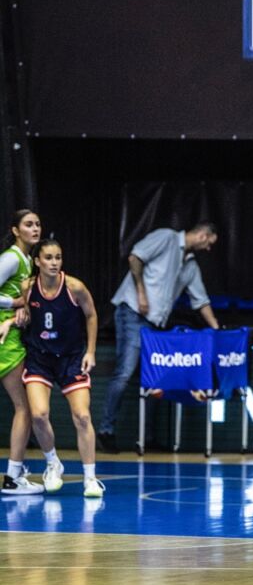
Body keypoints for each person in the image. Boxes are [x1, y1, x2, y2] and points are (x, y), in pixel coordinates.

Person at [100, 221, 220, 453]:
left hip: (156, 323)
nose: (208, 249)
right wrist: (141, 293)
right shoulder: (166, 237)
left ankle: (147, 438)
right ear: (203, 235)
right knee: (124, 372)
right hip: (133, 312)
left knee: (155, 380)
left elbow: (201, 301)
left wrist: (216, 328)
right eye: (209, 243)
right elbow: (135, 258)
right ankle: (106, 430)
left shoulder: (190, 265)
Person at [0, 239, 104, 497]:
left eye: (58, 257)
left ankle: (90, 479)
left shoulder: (74, 287)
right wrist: (11, 321)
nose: (54, 262)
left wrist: (91, 351)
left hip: (70, 358)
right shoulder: (27, 287)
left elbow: (91, 315)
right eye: (48, 258)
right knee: (38, 414)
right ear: (37, 262)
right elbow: (26, 314)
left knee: (82, 416)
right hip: (41, 358)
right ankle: (52, 462)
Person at [0, 210, 49, 495]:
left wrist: (24, 311)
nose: (35, 228)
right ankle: (12, 477)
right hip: (5, 341)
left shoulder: (29, 260)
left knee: (25, 408)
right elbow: (13, 299)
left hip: (12, 336)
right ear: (15, 230)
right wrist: (15, 303)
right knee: (25, 408)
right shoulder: (11, 258)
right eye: (29, 224)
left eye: (38, 224)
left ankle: (15, 473)